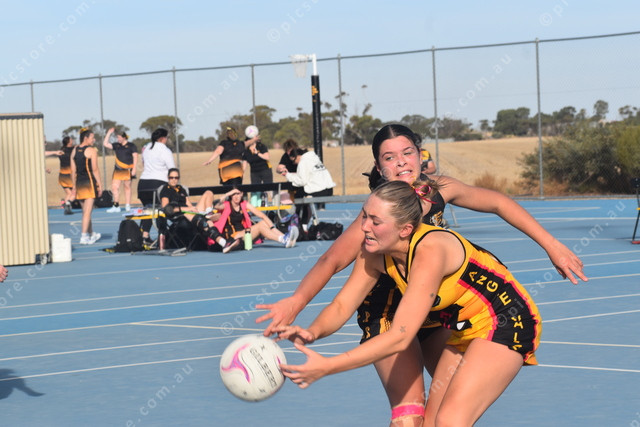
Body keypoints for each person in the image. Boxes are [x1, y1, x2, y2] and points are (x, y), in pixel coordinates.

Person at [257, 124, 587, 425]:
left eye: (407, 153)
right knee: (415, 418)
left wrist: (552, 245)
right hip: (395, 311)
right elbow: (336, 279)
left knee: (449, 419)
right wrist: (306, 321)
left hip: (482, 316)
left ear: (420, 154)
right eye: (389, 157)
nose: (401, 162)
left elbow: (497, 202)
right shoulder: (377, 230)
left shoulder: (429, 234)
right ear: (378, 167)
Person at [276, 180, 542, 426]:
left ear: (405, 229)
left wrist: (328, 366)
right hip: (465, 330)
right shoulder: (375, 253)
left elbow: (400, 337)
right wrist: (312, 332)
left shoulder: (429, 251)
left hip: (507, 319)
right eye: (364, 216)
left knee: (450, 420)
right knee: (430, 423)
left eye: (376, 221)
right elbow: (341, 306)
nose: (364, 226)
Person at [159, 168, 239, 253]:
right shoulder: (165, 190)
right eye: (171, 177)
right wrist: (186, 209)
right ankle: (223, 243)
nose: (174, 180)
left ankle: (209, 213)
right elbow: (166, 208)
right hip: (179, 214)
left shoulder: (181, 189)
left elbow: (189, 204)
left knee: (208, 193)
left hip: (188, 211)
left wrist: (194, 209)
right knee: (204, 221)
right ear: (168, 178)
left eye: (176, 177)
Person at [212, 188, 299, 250]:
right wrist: (228, 193)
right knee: (260, 226)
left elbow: (262, 215)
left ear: (242, 194)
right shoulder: (226, 205)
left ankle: (284, 238)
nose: (236, 196)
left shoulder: (244, 204)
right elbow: (215, 205)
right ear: (231, 196)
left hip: (245, 236)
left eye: (238, 194)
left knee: (264, 222)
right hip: (233, 238)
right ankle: (284, 240)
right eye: (233, 194)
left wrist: (274, 229)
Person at [281, 148, 336, 230]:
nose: (294, 163)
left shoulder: (303, 162)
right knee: (302, 196)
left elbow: (302, 181)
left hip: (319, 190)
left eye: (293, 161)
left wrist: (288, 175)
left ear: (296, 156)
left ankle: (300, 225)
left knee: (298, 197)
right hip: (329, 189)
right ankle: (303, 225)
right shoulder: (314, 158)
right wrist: (290, 175)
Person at [137, 128, 175, 246]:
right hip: (157, 184)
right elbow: (172, 169)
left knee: (149, 210)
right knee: (162, 210)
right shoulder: (165, 150)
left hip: (143, 185)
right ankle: (162, 236)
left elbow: (144, 163)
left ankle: (144, 236)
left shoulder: (147, 148)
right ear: (162, 138)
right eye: (167, 137)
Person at [70, 128, 103, 245]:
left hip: (79, 184)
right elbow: (95, 169)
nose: (94, 140)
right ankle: (84, 236)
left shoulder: (74, 150)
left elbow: (73, 171)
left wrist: (74, 186)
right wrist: (100, 185)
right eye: (92, 138)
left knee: (86, 212)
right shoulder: (91, 151)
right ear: (86, 138)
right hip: (89, 184)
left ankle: (91, 234)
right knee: (87, 212)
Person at [103, 127, 138, 213]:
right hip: (118, 169)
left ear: (124, 137)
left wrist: (134, 169)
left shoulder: (131, 146)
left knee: (127, 187)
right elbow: (105, 144)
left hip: (128, 169)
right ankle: (116, 206)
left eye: (119, 137)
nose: (118, 139)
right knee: (114, 187)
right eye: (117, 137)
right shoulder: (116, 145)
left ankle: (128, 205)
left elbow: (135, 157)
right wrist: (109, 133)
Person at [243, 133, 272, 206]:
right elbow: (244, 164)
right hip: (254, 172)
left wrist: (257, 153)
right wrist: (241, 173)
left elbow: (267, 157)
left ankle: (267, 204)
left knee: (268, 189)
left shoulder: (261, 146)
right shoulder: (246, 151)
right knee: (255, 190)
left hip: (265, 170)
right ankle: (256, 206)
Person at [48, 136, 75, 215]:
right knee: (74, 193)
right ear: (68, 142)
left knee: (69, 193)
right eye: (71, 139)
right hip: (69, 175)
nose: (72, 140)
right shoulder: (72, 150)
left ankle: (67, 209)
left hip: (62, 176)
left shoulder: (62, 150)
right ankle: (68, 203)